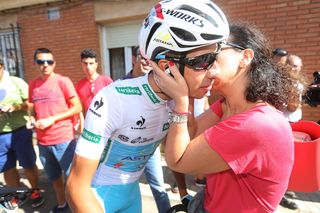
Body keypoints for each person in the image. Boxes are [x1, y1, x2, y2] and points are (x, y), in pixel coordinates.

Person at [66, 0, 229, 212]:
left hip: (132, 194)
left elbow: (178, 155)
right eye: (203, 61)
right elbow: (76, 186)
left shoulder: (183, 99)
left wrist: (183, 194)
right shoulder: (114, 99)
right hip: (97, 195)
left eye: (215, 58)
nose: (214, 71)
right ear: (167, 67)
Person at [151, 22, 302, 212]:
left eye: (215, 51)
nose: (203, 60)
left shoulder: (256, 125)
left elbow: (179, 161)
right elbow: (191, 134)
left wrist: (181, 100)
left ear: (245, 57)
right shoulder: (227, 105)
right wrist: (189, 90)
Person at [28, 48, 82, 213]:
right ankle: (61, 205)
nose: (45, 65)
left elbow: (77, 106)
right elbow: (31, 107)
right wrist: (31, 118)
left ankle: (77, 208)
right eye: (41, 62)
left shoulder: (62, 81)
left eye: (49, 62)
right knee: (54, 177)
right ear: (36, 63)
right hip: (43, 142)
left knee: (72, 178)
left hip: (63, 139)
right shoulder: (33, 85)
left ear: (54, 63)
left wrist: (52, 119)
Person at [122, 46, 171, 213]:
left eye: (148, 58)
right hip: (126, 147)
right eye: (141, 57)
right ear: (133, 59)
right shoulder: (120, 86)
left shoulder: (163, 85)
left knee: (158, 187)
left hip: (150, 147)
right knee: (127, 188)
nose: (145, 61)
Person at [0, 58, 44, 208]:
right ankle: (16, 194)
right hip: (1, 135)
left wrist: (16, 106)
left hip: (21, 131)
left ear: (2, 67)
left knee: (28, 164)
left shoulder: (15, 82)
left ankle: (34, 191)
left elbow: (31, 103)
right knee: (7, 167)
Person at [280, 54, 306, 210]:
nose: (292, 68)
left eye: (296, 66)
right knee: (284, 159)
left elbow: (295, 106)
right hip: (283, 124)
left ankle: (285, 188)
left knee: (290, 158)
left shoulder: (298, 84)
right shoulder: (284, 82)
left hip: (293, 123)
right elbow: (292, 106)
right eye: (290, 65)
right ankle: (281, 193)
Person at [76, 48, 113, 114]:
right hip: (89, 122)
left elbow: (114, 103)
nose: (88, 66)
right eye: (85, 63)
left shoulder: (107, 81)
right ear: (82, 64)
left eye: (91, 63)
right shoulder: (79, 85)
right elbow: (80, 110)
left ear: (96, 65)